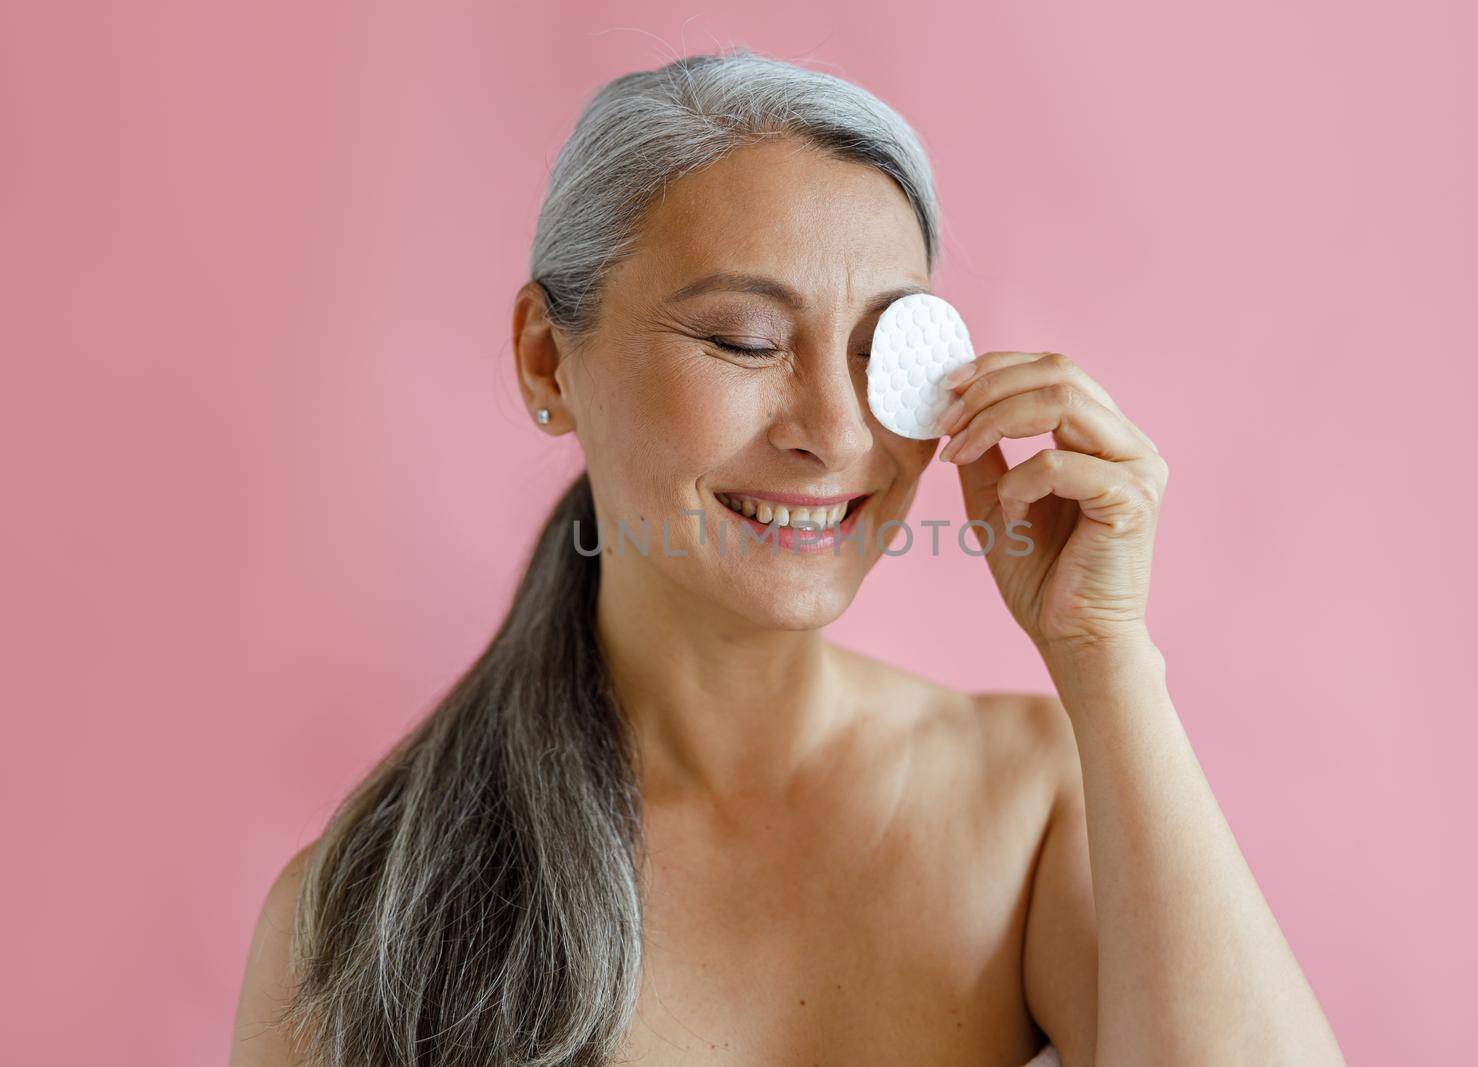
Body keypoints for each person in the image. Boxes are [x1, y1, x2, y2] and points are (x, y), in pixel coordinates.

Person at [230, 46, 1345, 1067]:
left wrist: (1105, 659)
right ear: (545, 360)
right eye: (745, 341)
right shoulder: (364, 913)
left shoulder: (1032, 799)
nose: (839, 430)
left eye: (881, 350)